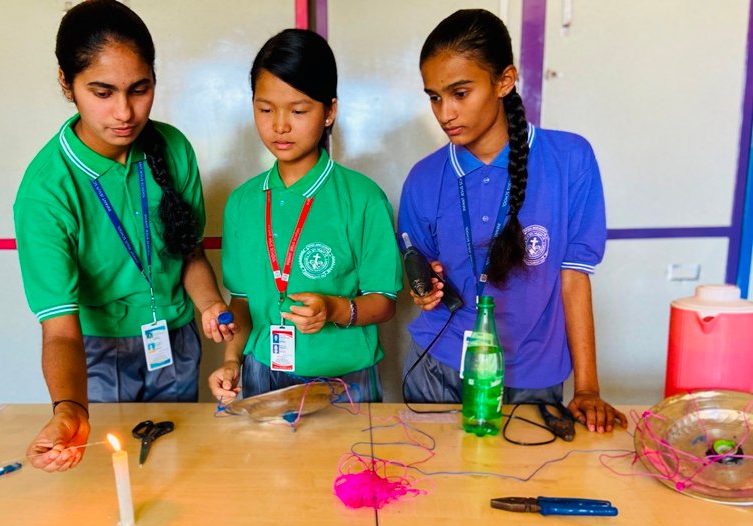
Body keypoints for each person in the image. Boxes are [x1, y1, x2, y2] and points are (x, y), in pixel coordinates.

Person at [14, 0, 235, 471]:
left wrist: (209, 304)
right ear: (66, 82)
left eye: (140, 89)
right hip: (97, 352)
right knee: (108, 479)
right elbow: (60, 331)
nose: (125, 112)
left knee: (177, 468)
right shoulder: (45, 192)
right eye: (102, 92)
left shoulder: (173, 148)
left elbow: (190, 254)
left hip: (174, 340)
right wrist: (69, 409)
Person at [398, 9, 627, 433]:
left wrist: (588, 388)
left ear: (504, 81)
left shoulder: (570, 160)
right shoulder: (423, 178)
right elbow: (420, 269)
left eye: (460, 93)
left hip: (532, 376)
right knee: (434, 476)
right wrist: (425, 290)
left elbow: (574, 277)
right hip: (439, 367)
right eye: (434, 97)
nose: (445, 113)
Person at [208, 29, 402, 405]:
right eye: (265, 109)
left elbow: (384, 301)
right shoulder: (242, 203)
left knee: (350, 448)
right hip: (262, 370)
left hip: (345, 379)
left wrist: (333, 309)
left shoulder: (363, 198)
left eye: (298, 111)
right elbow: (242, 301)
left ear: (329, 111)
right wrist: (232, 361)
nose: (280, 125)